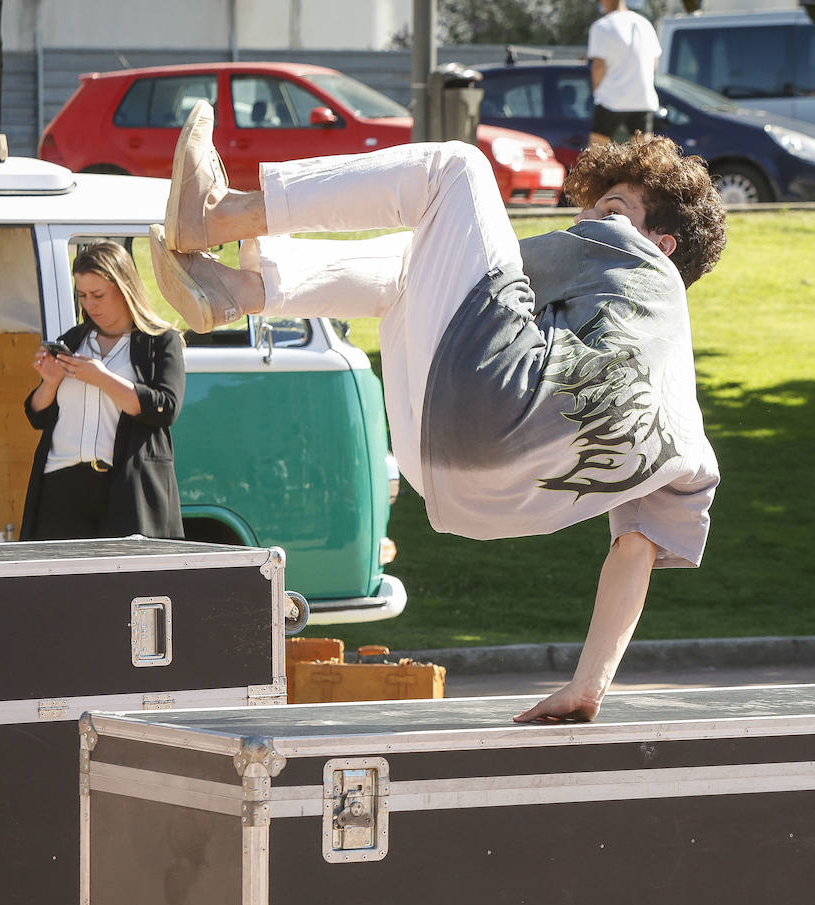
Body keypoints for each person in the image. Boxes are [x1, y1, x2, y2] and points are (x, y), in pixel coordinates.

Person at [150, 100, 725, 722]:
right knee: (413, 270)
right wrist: (589, 686)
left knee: (456, 169)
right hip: (466, 491)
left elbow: (471, 245)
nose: (588, 221)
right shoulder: (688, 434)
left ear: (662, 245)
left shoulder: (638, 263)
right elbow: (634, 553)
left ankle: (221, 215)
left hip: (481, 400)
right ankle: (232, 292)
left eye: (611, 210)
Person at [20, 240, 186, 540]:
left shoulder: (160, 341)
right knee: (59, 582)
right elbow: (36, 416)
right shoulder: (72, 339)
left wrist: (103, 378)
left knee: (122, 583)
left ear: (124, 289)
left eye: (98, 295)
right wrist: (50, 382)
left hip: (125, 488)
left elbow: (166, 407)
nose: (89, 305)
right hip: (61, 485)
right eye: (82, 295)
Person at [587, 0, 662, 147]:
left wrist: (596, 91)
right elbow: (654, 63)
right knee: (643, 157)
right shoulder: (644, 24)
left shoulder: (602, 26)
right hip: (642, 99)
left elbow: (598, 66)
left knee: (595, 155)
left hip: (610, 99)